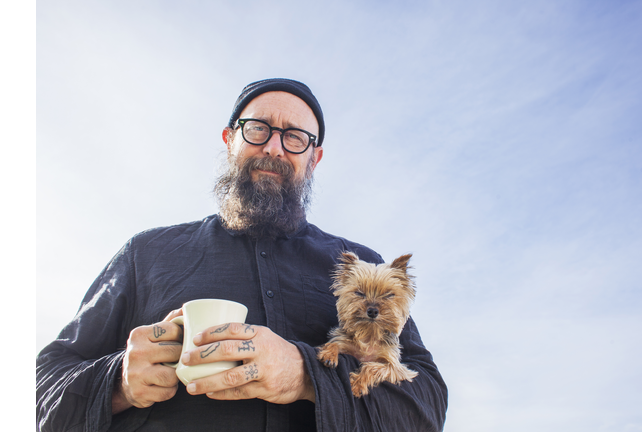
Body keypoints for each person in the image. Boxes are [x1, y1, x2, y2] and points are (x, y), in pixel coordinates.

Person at [36, 78, 448, 432]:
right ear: (230, 139)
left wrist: (306, 376)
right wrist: (118, 382)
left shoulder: (362, 265)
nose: (274, 148)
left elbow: (426, 406)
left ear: (314, 158)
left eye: (294, 137)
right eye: (257, 129)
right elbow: (43, 387)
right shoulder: (146, 253)